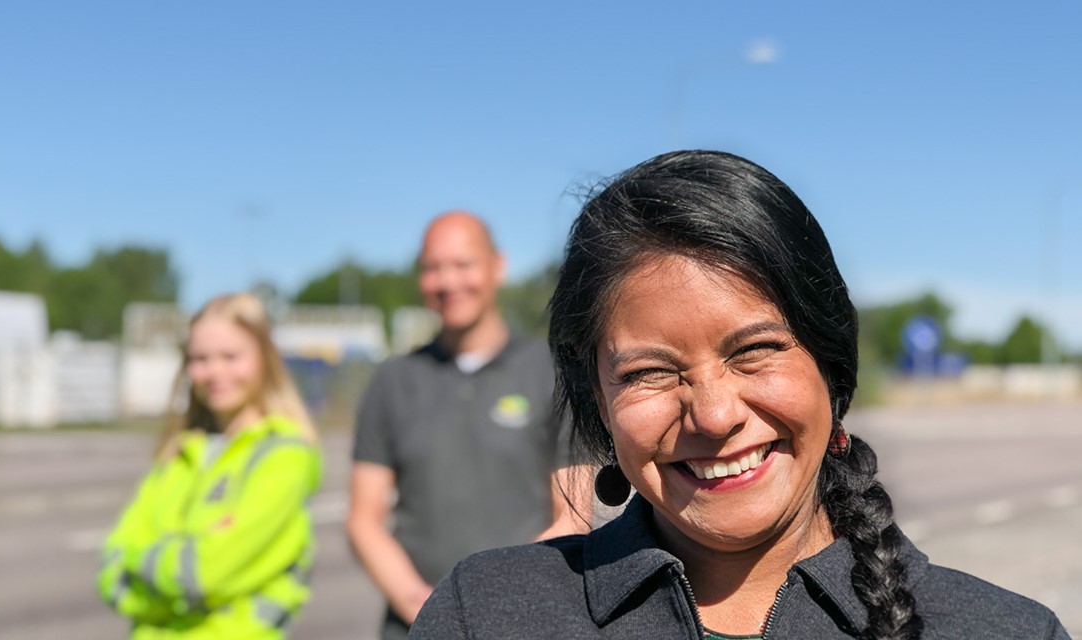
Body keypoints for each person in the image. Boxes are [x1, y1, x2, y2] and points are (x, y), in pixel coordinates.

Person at [410, 152, 1071, 639]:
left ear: (830, 365)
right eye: (649, 372)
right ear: (598, 401)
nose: (716, 415)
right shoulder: (488, 615)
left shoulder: (1006, 631)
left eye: (755, 350)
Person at [346, 210, 591, 639]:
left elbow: (573, 516)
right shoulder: (393, 380)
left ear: (497, 266)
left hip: (526, 620)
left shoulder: (552, 373)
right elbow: (364, 520)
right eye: (433, 268)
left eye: (463, 264)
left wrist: (496, 604)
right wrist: (420, 605)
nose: (448, 281)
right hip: (417, 624)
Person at [98, 292, 323, 639]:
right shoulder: (179, 452)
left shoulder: (283, 455)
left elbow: (203, 575)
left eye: (231, 357)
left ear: (265, 357)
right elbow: (112, 568)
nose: (215, 371)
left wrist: (145, 565)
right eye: (200, 358)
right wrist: (178, 568)